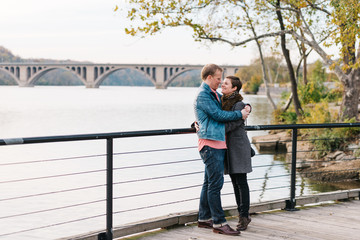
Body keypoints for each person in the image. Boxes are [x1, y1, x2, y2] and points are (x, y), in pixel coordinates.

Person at [193, 64, 250, 236]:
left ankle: (204, 218)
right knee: (215, 185)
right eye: (218, 78)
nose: (220, 82)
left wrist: (246, 107)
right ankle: (219, 222)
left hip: (216, 143)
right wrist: (241, 115)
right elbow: (218, 115)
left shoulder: (213, 94)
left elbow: (234, 100)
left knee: (209, 183)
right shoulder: (204, 95)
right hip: (211, 144)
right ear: (209, 77)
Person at [221, 75, 253, 231]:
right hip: (229, 148)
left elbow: (232, 125)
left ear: (234, 88)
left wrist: (214, 129)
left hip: (239, 148)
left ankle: (244, 216)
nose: (222, 84)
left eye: (226, 83)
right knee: (235, 183)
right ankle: (242, 214)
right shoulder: (223, 101)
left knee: (241, 182)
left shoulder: (239, 103)